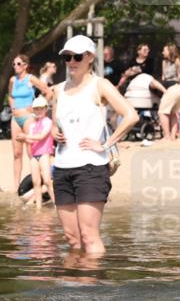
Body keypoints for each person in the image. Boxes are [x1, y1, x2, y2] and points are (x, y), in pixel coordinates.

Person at [51, 34, 138, 256]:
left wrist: (106, 144)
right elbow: (55, 122)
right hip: (61, 168)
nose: (71, 62)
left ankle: (93, 279)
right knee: (72, 239)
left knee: (89, 236)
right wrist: (54, 131)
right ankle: (74, 277)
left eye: (77, 57)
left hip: (90, 168)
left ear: (90, 57)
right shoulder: (58, 90)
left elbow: (131, 116)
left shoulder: (100, 85)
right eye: (67, 57)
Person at [8, 54, 51, 191]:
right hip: (15, 118)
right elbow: (10, 96)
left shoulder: (31, 78)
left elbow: (48, 92)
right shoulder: (12, 80)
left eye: (18, 64)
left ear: (25, 65)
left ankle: (39, 182)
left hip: (28, 117)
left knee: (31, 151)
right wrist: (12, 107)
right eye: (14, 64)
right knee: (16, 153)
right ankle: (16, 186)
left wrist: (37, 106)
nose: (15, 66)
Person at [21, 96, 54, 208]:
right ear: (33, 110)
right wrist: (23, 139)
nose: (39, 111)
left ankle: (56, 205)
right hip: (34, 155)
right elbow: (31, 140)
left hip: (44, 153)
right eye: (36, 109)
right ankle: (38, 208)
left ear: (45, 109)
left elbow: (41, 136)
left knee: (47, 181)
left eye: (41, 109)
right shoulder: (32, 125)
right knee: (36, 182)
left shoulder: (48, 122)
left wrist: (25, 136)